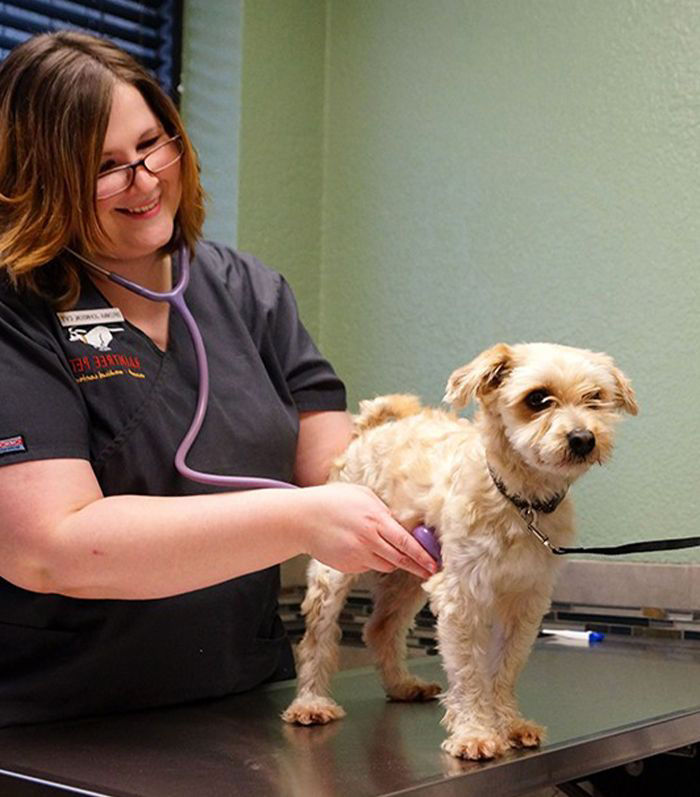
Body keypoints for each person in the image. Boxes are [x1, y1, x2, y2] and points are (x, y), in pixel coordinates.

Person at [0, 31, 437, 727]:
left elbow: (337, 471)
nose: (143, 179)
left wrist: (451, 484)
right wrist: (300, 518)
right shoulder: (18, 309)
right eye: (103, 166)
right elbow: (50, 547)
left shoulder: (249, 292)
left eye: (152, 145)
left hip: (238, 704)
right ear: (38, 180)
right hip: (56, 723)